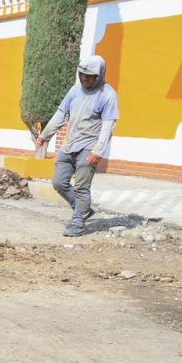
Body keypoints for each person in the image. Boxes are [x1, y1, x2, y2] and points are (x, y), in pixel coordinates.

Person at [35, 55, 119, 238]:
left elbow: (108, 125)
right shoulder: (75, 90)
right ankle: (83, 209)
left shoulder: (108, 95)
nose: (85, 79)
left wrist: (98, 151)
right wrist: (45, 135)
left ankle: (78, 222)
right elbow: (61, 113)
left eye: (89, 76)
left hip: (89, 147)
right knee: (58, 182)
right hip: (69, 144)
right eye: (82, 75)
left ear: (99, 75)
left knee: (81, 187)